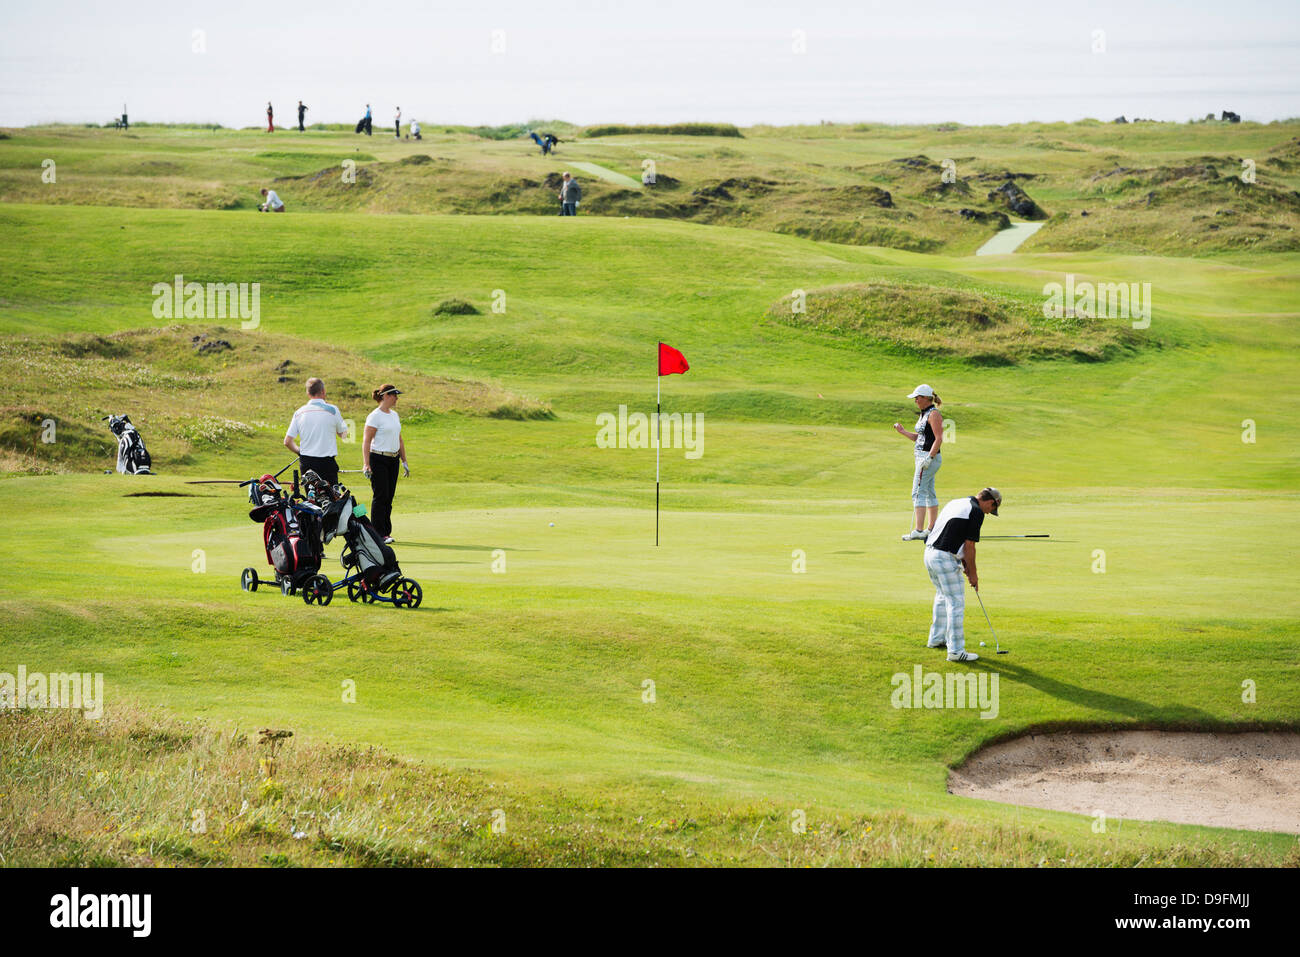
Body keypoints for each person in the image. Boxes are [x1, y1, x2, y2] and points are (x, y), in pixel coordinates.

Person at [923, 487, 1002, 663]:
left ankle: (936, 639)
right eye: (992, 509)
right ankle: (956, 651)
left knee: (942, 597)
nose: (990, 513)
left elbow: (954, 535)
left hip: (929, 554)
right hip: (944, 557)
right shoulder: (976, 511)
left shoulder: (957, 502)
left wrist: (965, 565)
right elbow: (969, 547)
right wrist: (973, 574)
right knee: (956, 603)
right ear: (990, 502)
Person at [893, 384, 944, 541]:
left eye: (917, 398)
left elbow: (939, 438)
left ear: (925, 398)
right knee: (928, 491)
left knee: (918, 492)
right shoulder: (924, 413)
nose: (915, 400)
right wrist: (903, 432)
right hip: (922, 456)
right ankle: (931, 528)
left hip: (927, 458)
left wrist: (929, 457)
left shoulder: (933, 414)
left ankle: (919, 530)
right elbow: (920, 438)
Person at [362, 384, 408, 543]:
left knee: (389, 496)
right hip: (378, 458)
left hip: (393, 459)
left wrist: (404, 460)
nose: (397, 398)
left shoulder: (394, 415)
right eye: (395, 395)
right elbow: (367, 440)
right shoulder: (375, 416)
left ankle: (385, 532)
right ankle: (378, 533)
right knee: (381, 496)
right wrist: (366, 463)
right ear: (386, 396)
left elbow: (399, 439)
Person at [284, 378, 349, 485]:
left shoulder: (299, 412)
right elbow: (344, 435)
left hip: (306, 462)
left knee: (310, 500)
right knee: (330, 499)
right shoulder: (333, 410)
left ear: (308, 393)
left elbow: (287, 441)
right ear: (323, 391)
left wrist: (299, 452)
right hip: (327, 463)